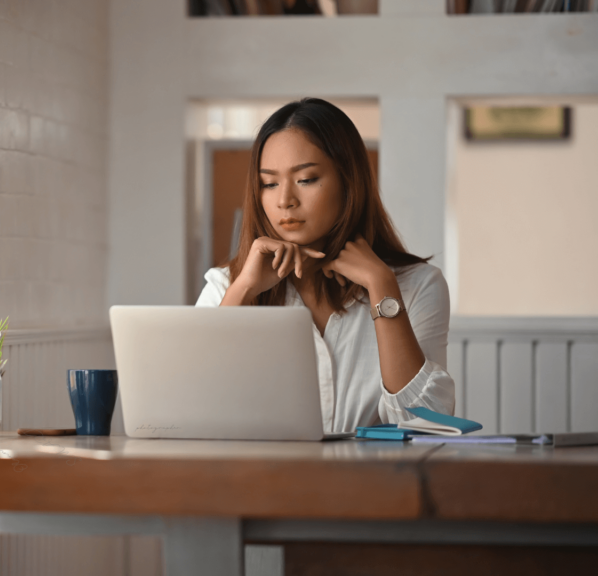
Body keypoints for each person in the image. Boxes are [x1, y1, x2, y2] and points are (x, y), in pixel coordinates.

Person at [195, 98, 455, 434]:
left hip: (374, 484)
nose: (285, 200)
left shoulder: (418, 285)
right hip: (258, 482)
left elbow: (427, 423)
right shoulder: (226, 285)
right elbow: (197, 405)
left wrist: (381, 285)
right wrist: (244, 290)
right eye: (269, 183)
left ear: (349, 182)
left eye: (305, 179)